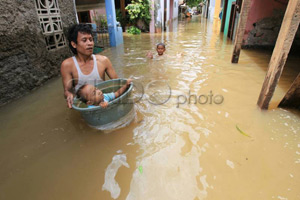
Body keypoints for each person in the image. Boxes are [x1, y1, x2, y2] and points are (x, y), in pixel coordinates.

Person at [60, 24, 118, 108]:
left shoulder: (103, 61)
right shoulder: (67, 65)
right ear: (74, 44)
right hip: (85, 107)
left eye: (91, 39)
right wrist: (68, 95)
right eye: (84, 40)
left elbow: (118, 83)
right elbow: (67, 91)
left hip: (104, 102)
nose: (90, 43)